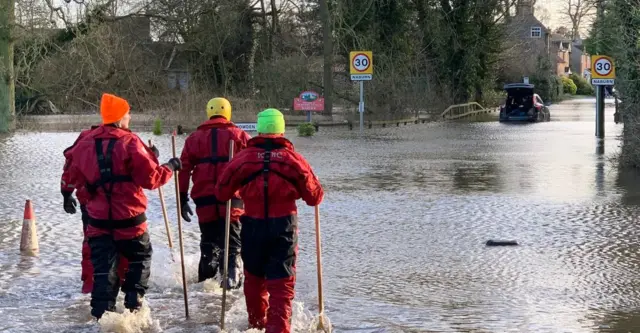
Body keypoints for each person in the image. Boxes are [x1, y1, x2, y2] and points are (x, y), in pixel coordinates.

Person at [65, 93, 181, 319]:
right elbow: (152, 179)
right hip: (130, 219)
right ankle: (133, 305)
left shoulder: (84, 143)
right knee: (140, 258)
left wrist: (75, 193)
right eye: (127, 113)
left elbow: (72, 176)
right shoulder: (130, 141)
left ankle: (102, 318)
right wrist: (171, 165)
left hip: (98, 221)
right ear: (119, 118)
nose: (130, 117)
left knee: (103, 273)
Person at [215, 108, 324, 333]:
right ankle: (278, 329)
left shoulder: (242, 158)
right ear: (282, 130)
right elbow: (315, 197)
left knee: (254, 279)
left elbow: (221, 192)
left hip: (252, 225)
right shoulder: (293, 160)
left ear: (259, 129)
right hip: (283, 226)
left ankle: (256, 325)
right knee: (281, 283)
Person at [178, 97, 251, 289]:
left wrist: (182, 198)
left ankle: (204, 289)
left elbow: (183, 170)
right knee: (233, 246)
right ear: (228, 112)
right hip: (232, 198)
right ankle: (232, 287)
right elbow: (254, 166)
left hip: (204, 199)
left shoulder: (193, 139)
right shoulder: (240, 136)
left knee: (208, 244)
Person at [61, 125, 129, 294]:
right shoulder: (126, 138)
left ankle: (91, 287)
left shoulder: (85, 139)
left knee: (93, 244)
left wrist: (66, 193)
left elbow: (71, 168)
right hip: (122, 205)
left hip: (92, 205)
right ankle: (124, 286)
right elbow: (142, 170)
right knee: (124, 243)